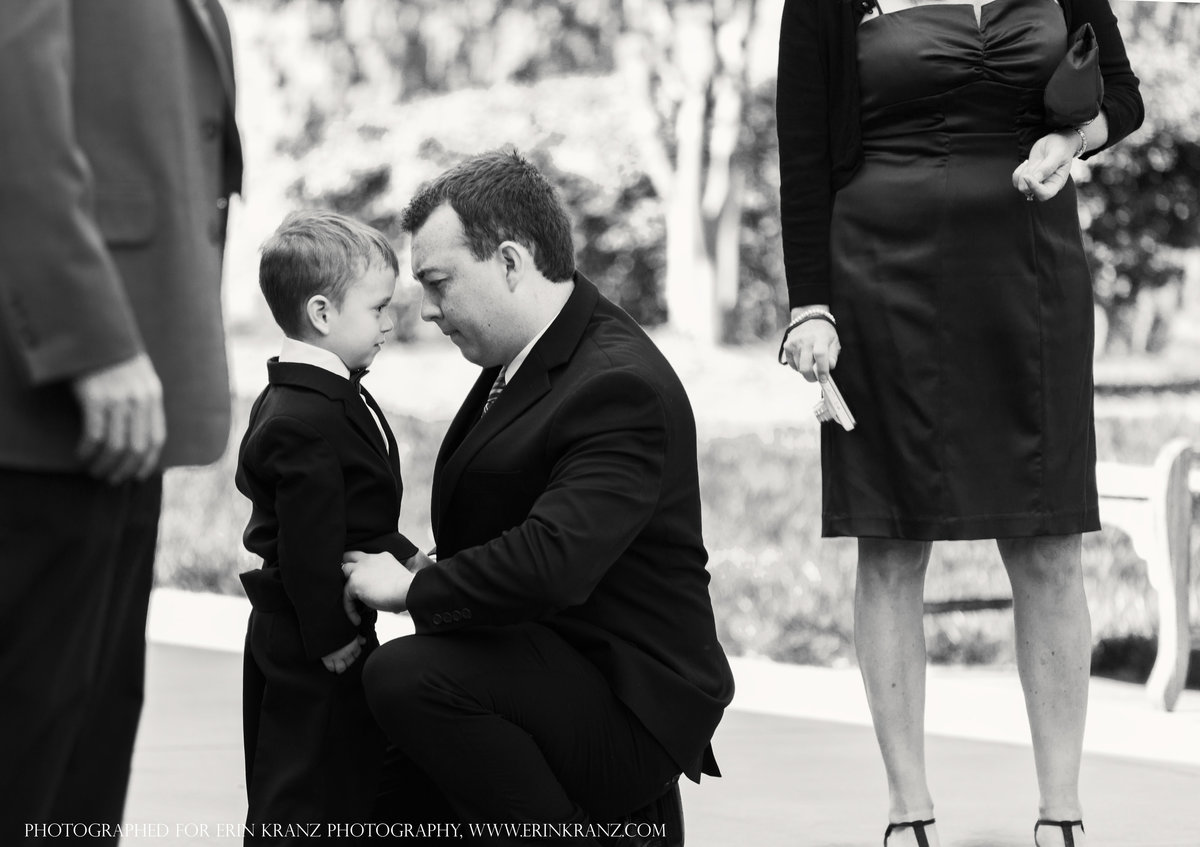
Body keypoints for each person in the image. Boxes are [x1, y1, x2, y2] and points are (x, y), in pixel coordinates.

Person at [775, 0, 1143, 843]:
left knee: (1051, 537)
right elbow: (802, 152)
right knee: (893, 535)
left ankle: (1063, 814)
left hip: (1032, 267)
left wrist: (1073, 141)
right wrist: (809, 305)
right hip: (879, 274)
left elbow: (1121, 92)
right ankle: (909, 812)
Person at [341, 149, 734, 845]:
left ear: (512, 262)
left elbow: (556, 556)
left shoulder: (618, 382)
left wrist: (410, 592)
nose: (426, 310)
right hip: (543, 663)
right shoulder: (531, 353)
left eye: (438, 283)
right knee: (367, 776)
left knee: (406, 676)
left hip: (623, 705)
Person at [0, 0, 242, 842]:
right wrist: (89, 339)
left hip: (121, 399)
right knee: (30, 756)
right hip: (47, 398)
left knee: (84, 755)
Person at [236, 212, 423, 841]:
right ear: (321, 313)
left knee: (342, 771)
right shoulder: (299, 415)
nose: (390, 323)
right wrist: (329, 635)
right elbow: (308, 540)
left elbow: (351, 510)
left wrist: (405, 558)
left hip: (324, 620)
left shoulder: (328, 391)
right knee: (300, 778)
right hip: (306, 631)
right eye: (377, 308)